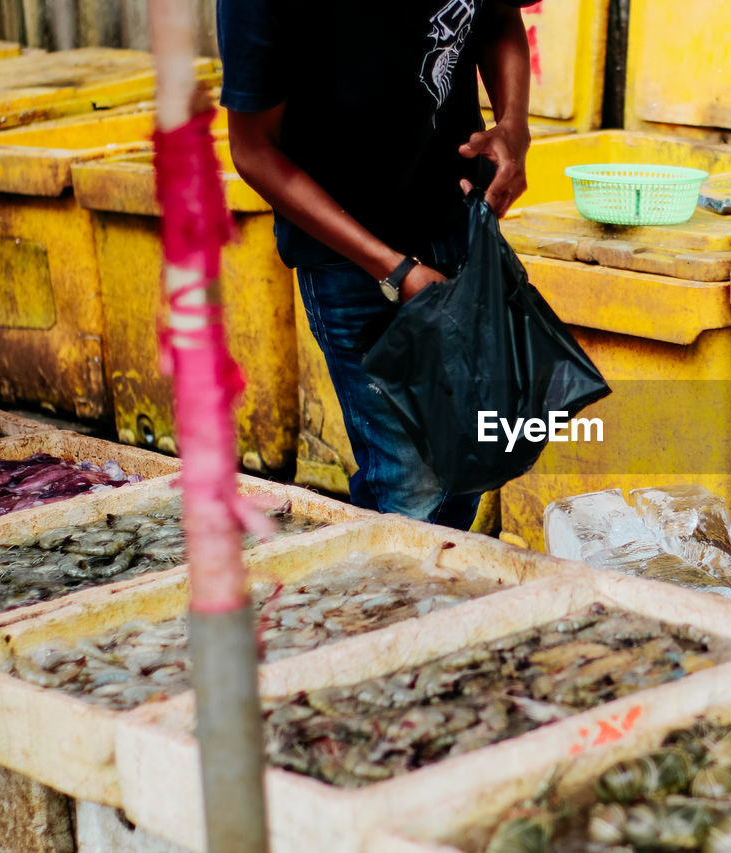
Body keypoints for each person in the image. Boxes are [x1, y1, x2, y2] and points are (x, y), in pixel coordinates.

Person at [216, 0, 535, 530]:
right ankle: (390, 609)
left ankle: (427, 604)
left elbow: (498, 18)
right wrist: (392, 268)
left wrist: (513, 125)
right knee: (408, 489)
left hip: (457, 226)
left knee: (467, 466)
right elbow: (252, 150)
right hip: (352, 262)